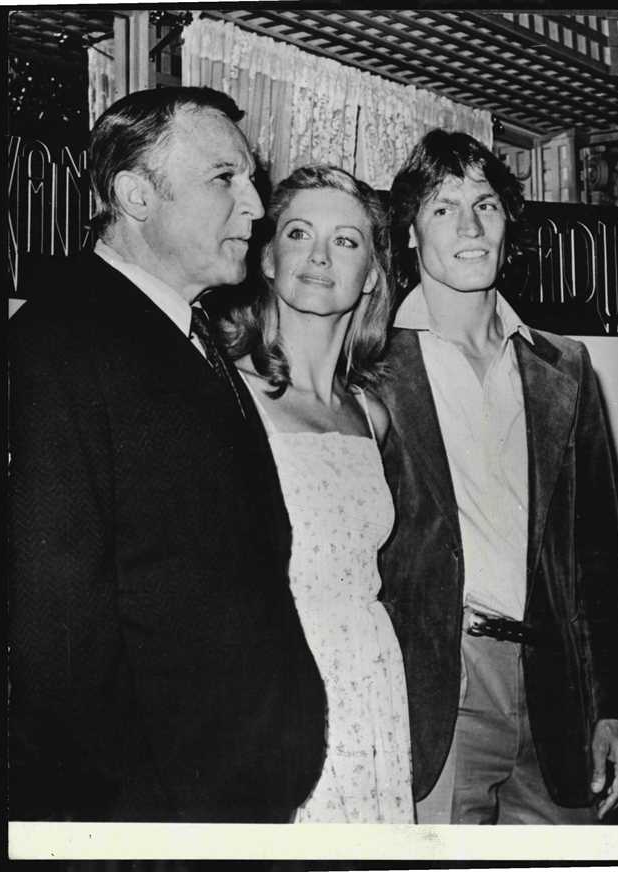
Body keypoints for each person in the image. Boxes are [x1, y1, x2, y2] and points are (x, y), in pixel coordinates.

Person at [7, 87, 326, 823]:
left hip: (225, 792)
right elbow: (57, 630)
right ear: (134, 195)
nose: (254, 206)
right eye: (225, 179)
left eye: (251, 179)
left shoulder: (188, 332)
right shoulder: (59, 344)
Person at [376, 129, 618, 825]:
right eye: (442, 207)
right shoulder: (369, 370)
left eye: (485, 205)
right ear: (407, 233)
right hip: (439, 693)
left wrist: (612, 709)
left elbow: (598, 559)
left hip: (556, 693)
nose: (469, 226)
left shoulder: (565, 367)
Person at [219, 164, 413, 823]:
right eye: (299, 233)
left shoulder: (370, 411)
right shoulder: (226, 395)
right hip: (275, 693)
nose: (321, 256)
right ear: (268, 258)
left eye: (348, 241)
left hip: (370, 686)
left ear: (373, 275)